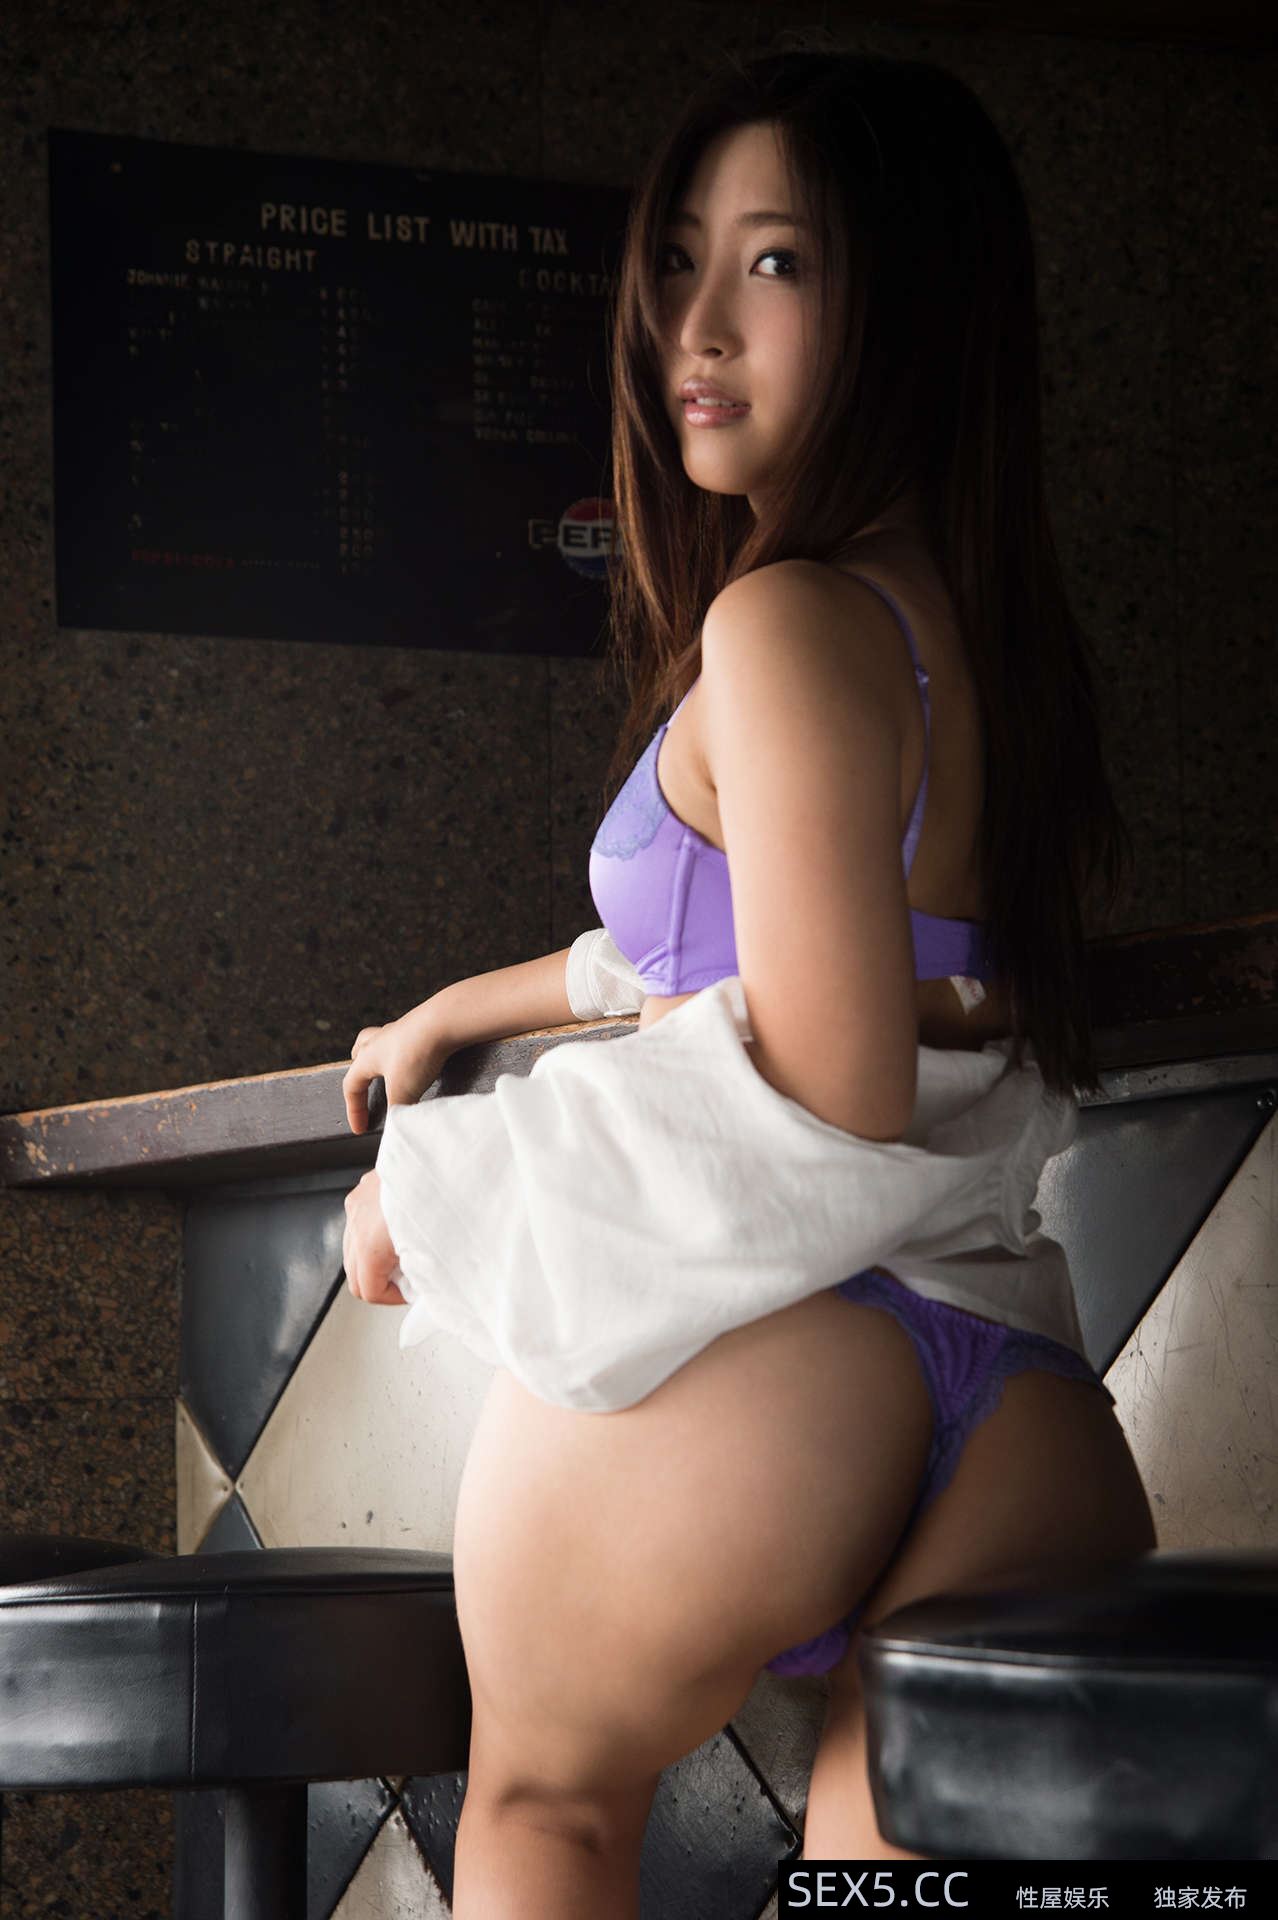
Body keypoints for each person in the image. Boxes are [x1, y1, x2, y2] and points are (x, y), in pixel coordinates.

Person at [339, 46, 1157, 1914]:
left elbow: (829, 1069)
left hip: (767, 1378)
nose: (692, 326)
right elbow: (755, 954)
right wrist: (464, 1011)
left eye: (774, 262)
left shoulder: (780, 620)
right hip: (1016, 1396)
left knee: (546, 1811)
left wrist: (447, 1186)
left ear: (911, 307)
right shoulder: (977, 640)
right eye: (679, 260)